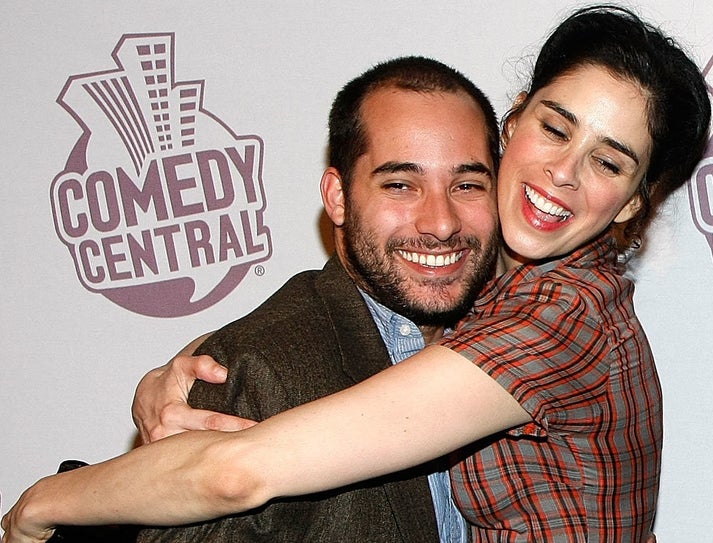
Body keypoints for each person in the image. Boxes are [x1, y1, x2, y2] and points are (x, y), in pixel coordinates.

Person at [2, 5, 710, 542]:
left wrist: (42, 503)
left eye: (610, 161)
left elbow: (236, 471)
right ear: (515, 120)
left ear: (632, 202)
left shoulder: (561, 316)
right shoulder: (503, 269)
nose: (563, 172)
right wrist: (164, 374)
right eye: (556, 129)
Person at [7, 56, 502, 543]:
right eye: (400, 185)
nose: (441, 222)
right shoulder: (252, 373)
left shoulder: (523, 335)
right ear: (338, 196)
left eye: (467, 184)